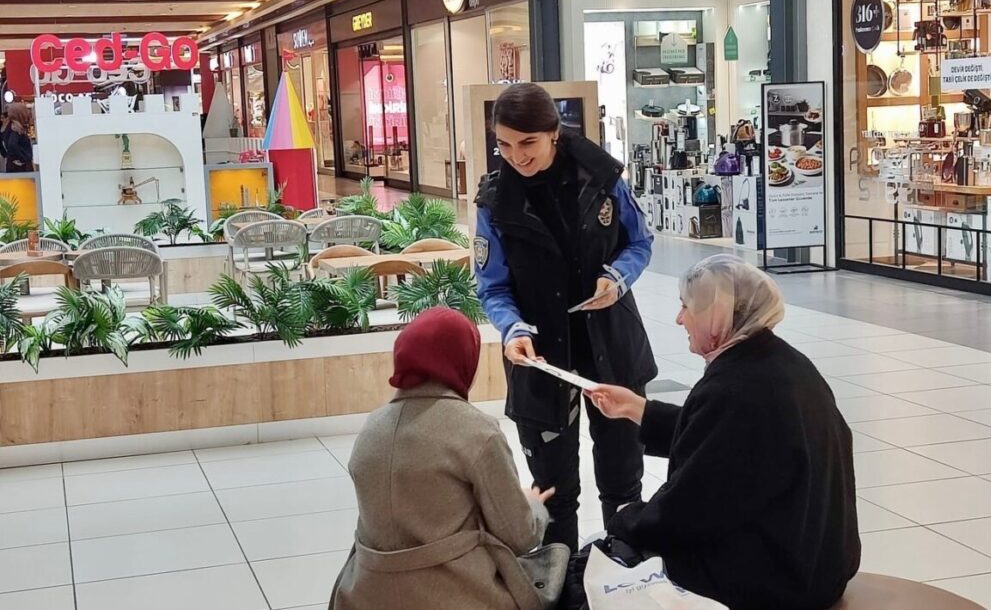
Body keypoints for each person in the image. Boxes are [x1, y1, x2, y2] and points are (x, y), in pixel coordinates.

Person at [586, 255, 861, 610]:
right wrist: (634, 408)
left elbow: (689, 511)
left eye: (686, 307)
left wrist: (625, 519)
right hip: (820, 562)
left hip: (781, 580)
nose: (679, 318)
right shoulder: (781, 364)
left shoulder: (734, 389)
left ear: (717, 315)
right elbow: (722, 439)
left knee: (619, 564)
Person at [474, 82, 658, 553]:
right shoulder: (495, 203)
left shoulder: (602, 178)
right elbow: (492, 286)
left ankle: (622, 583)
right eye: (504, 145)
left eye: (528, 143)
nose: (516, 156)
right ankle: (559, 590)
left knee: (623, 484)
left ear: (554, 133)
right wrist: (512, 330)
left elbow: (639, 242)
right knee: (555, 496)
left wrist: (616, 278)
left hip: (611, 348)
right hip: (540, 359)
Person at [329, 308, 563, 610]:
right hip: (457, 593)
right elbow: (519, 535)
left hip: (365, 594)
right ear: (464, 360)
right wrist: (533, 505)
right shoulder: (477, 431)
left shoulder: (370, 429)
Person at [1, 103, 34, 173]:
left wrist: (9, 156)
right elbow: (12, 144)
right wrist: (23, 158)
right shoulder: (16, 128)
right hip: (21, 168)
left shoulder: (8, 126)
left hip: (13, 166)